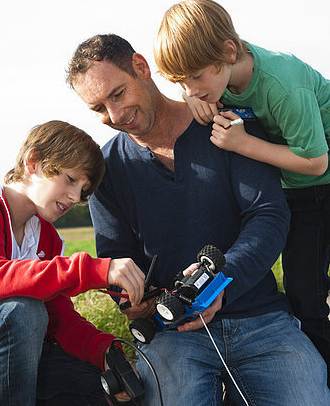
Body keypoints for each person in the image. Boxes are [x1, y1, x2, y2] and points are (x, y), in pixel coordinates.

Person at [67, 34, 330, 406]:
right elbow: (116, 253)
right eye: (98, 108)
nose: (115, 114)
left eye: (117, 93)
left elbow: (268, 216)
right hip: (170, 332)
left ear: (142, 68)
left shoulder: (228, 128)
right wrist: (129, 299)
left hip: (261, 318)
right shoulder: (107, 170)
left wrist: (220, 285)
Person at [154, 0, 330, 383]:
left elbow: (318, 162)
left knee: (311, 295)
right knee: (303, 291)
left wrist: (245, 145)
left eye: (194, 77)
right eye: (179, 82)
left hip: (321, 184)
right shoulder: (216, 82)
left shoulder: (284, 84)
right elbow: (201, 88)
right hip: (295, 190)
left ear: (228, 52)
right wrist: (196, 96)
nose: (189, 89)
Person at [0, 119, 145, 406]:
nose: (75, 197)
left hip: (0, 360)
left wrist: (107, 351)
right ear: (33, 162)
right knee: (22, 311)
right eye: (70, 179)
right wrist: (95, 269)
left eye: (83, 190)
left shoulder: (46, 239)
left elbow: (58, 317)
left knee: (106, 390)